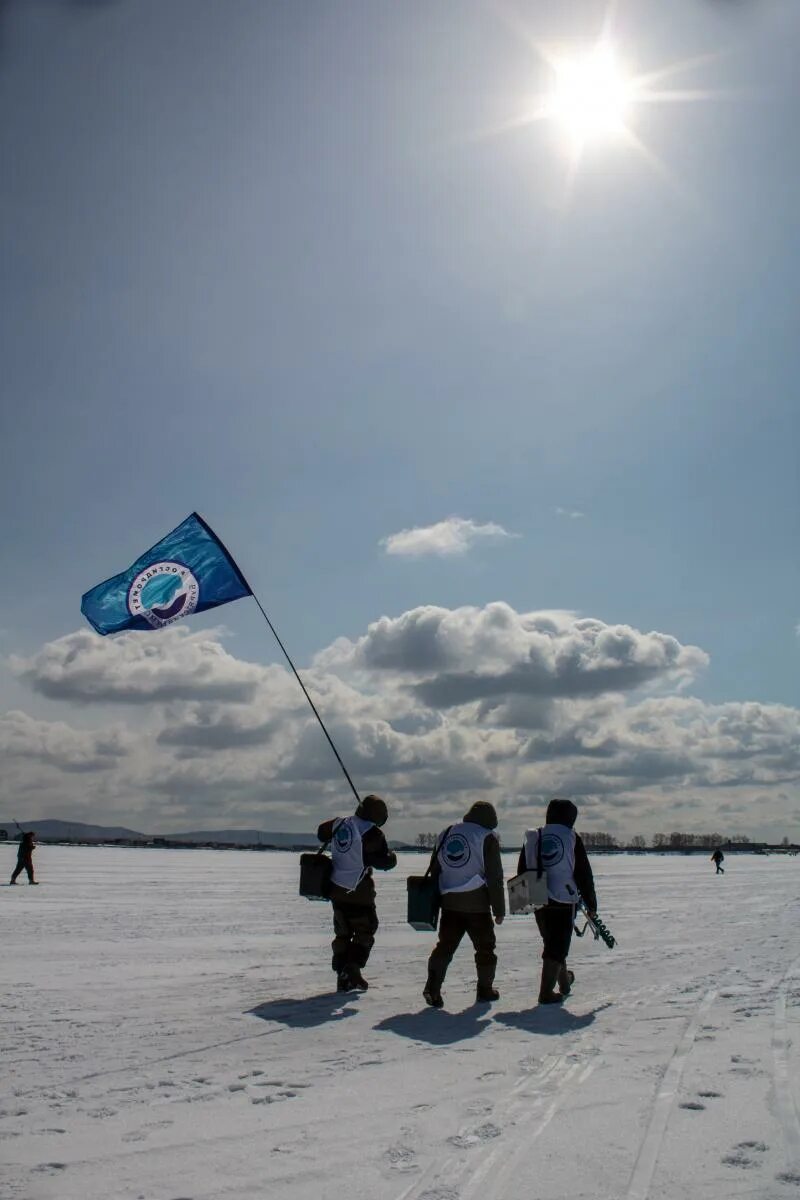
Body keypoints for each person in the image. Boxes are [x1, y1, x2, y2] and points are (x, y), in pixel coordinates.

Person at [423, 801, 505, 1009]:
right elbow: (495, 876)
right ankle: (485, 990)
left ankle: (432, 988)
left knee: (445, 946)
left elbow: (435, 868)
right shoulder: (487, 836)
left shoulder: (447, 832)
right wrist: (499, 909)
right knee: (485, 948)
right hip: (477, 903)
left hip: (449, 902)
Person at [519, 799, 596, 1005]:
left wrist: (526, 897)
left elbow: (522, 868)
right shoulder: (571, 837)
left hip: (537, 896)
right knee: (557, 944)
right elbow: (583, 873)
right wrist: (592, 903)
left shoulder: (534, 835)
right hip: (564, 898)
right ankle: (546, 993)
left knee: (552, 942)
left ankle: (564, 983)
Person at [317, 794, 397, 993]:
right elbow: (384, 861)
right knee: (365, 930)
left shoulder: (339, 824)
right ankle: (351, 970)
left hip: (336, 889)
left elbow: (321, 832)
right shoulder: (373, 833)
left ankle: (343, 976)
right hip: (358, 890)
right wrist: (393, 857)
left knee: (342, 932)